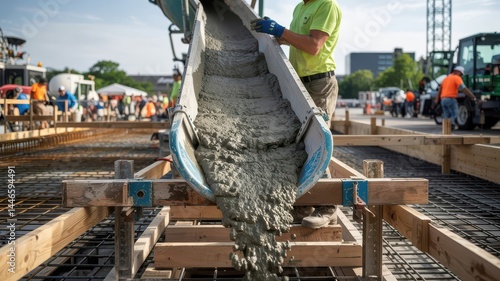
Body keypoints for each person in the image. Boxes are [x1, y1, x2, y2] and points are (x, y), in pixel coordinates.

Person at [251, 0, 342, 229]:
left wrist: (280, 30)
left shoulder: (326, 5)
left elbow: (313, 46)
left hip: (319, 82)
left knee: (316, 141)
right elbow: (296, 41)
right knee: (299, 144)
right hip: (299, 83)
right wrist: (273, 35)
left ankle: (327, 208)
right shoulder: (300, 8)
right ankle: (303, 206)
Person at [435, 66, 477, 130]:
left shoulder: (446, 78)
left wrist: (437, 99)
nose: (461, 76)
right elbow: (463, 88)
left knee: (446, 115)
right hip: (450, 99)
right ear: (459, 72)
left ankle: (446, 128)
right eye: (461, 74)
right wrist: (472, 95)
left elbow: (440, 90)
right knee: (455, 113)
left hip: (443, 100)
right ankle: (452, 125)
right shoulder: (457, 78)